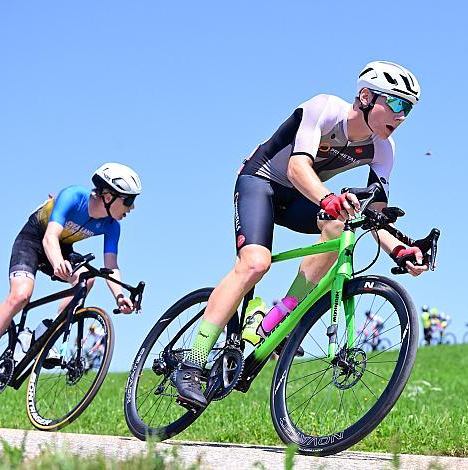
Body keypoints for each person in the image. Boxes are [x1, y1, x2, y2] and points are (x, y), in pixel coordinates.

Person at [172, 60, 428, 408]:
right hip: (261, 182)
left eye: (408, 109)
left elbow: (374, 214)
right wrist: (328, 198)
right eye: (396, 104)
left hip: (303, 197)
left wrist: (400, 249)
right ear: (366, 97)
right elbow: (296, 166)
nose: (401, 116)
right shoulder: (324, 108)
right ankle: (193, 361)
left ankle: (276, 319)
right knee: (255, 264)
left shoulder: (384, 150)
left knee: (341, 227)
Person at [0, 163, 142, 399]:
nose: (132, 207)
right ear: (108, 196)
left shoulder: (112, 227)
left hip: (62, 248)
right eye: (128, 201)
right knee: (21, 294)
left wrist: (120, 296)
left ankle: (46, 331)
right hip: (34, 239)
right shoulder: (74, 196)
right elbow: (49, 238)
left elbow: (111, 267)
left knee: (86, 280)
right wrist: (57, 262)